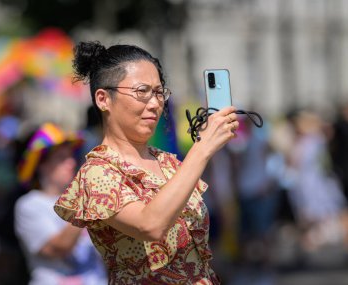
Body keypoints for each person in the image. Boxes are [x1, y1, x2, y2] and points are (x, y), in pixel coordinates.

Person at [54, 41, 239, 284]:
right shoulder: (97, 172)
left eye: (159, 92)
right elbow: (150, 225)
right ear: (103, 99)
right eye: (142, 91)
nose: (154, 103)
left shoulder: (168, 163)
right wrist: (202, 148)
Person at [14, 122, 107, 285]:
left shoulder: (83, 198)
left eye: (71, 156)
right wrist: (85, 202)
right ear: (41, 165)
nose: (71, 163)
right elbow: (58, 249)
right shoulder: (29, 205)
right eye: (61, 158)